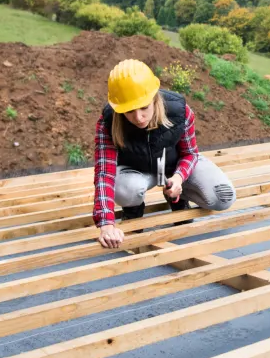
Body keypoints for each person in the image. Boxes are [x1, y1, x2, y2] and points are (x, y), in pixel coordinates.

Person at [92, 59, 236, 248]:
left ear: (155, 98)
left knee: (223, 197)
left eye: (144, 107)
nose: (138, 117)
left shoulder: (180, 111)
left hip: (173, 166)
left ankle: (177, 197)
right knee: (126, 190)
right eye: (129, 111)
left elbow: (190, 153)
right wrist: (106, 223)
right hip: (138, 171)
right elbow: (105, 172)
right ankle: (133, 209)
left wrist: (178, 178)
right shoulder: (109, 122)